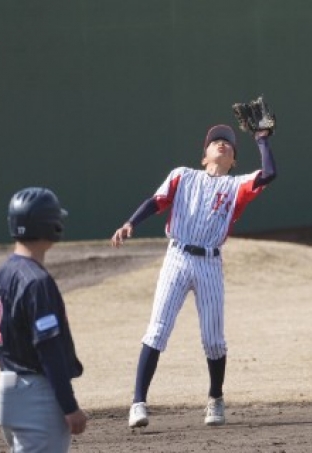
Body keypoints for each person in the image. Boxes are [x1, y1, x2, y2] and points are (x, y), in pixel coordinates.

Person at [111, 124, 277, 428]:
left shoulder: (237, 186)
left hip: (209, 263)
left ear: (234, 161)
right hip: (177, 257)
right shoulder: (183, 176)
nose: (222, 144)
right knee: (157, 331)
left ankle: (215, 398)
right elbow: (156, 201)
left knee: (213, 340)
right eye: (215, 141)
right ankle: (138, 403)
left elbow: (268, 174)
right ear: (204, 156)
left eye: (228, 143)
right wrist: (131, 222)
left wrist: (262, 140)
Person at [0, 187, 87, 452]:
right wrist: (69, 405)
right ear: (48, 224)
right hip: (38, 397)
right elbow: (49, 349)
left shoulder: (4, 272)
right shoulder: (37, 281)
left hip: (8, 391)